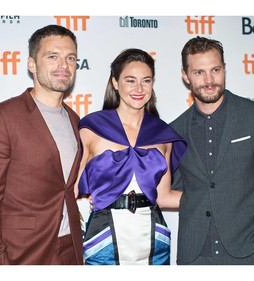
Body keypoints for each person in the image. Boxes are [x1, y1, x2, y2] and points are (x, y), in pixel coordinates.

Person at [169, 36, 254, 265]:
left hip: (248, 253)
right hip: (194, 257)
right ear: (185, 76)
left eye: (215, 70)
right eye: (199, 72)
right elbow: (172, 188)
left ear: (224, 69)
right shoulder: (175, 131)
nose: (209, 80)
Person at [0, 24, 84, 265]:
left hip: (71, 250)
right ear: (32, 64)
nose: (63, 65)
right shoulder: (2, 117)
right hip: (23, 254)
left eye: (70, 58)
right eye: (52, 56)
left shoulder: (75, 120)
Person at [75, 48, 187, 265]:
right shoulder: (91, 128)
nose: (139, 88)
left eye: (146, 81)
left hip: (154, 242)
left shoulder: (163, 135)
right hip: (102, 240)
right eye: (130, 80)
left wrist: (215, 199)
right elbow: (71, 190)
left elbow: (163, 197)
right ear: (115, 83)